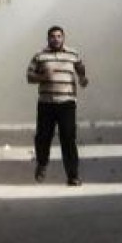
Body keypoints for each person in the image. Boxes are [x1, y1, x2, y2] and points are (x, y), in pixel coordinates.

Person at [27, 25, 88, 186]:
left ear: (63, 38)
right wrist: (42, 77)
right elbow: (29, 76)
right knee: (43, 137)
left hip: (67, 103)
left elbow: (81, 70)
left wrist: (82, 78)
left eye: (59, 36)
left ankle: (73, 175)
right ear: (48, 39)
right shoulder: (40, 56)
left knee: (68, 138)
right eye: (53, 36)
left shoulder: (73, 54)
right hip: (46, 104)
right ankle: (42, 162)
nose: (56, 39)